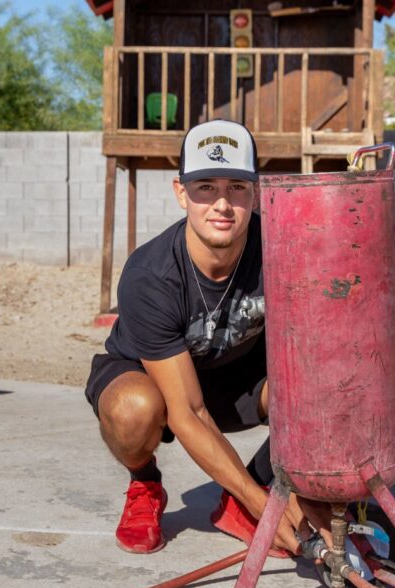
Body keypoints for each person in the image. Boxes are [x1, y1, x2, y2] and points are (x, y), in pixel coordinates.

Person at [85, 119, 327, 555]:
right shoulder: (150, 275)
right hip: (154, 379)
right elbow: (189, 411)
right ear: (182, 193)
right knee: (134, 410)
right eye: (205, 188)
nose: (222, 204)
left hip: (234, 374)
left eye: (237, 187)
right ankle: (145, 484)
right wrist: (265, 510)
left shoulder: (282, 249)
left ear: (256, 192)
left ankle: (245, 492)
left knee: (319, 385)